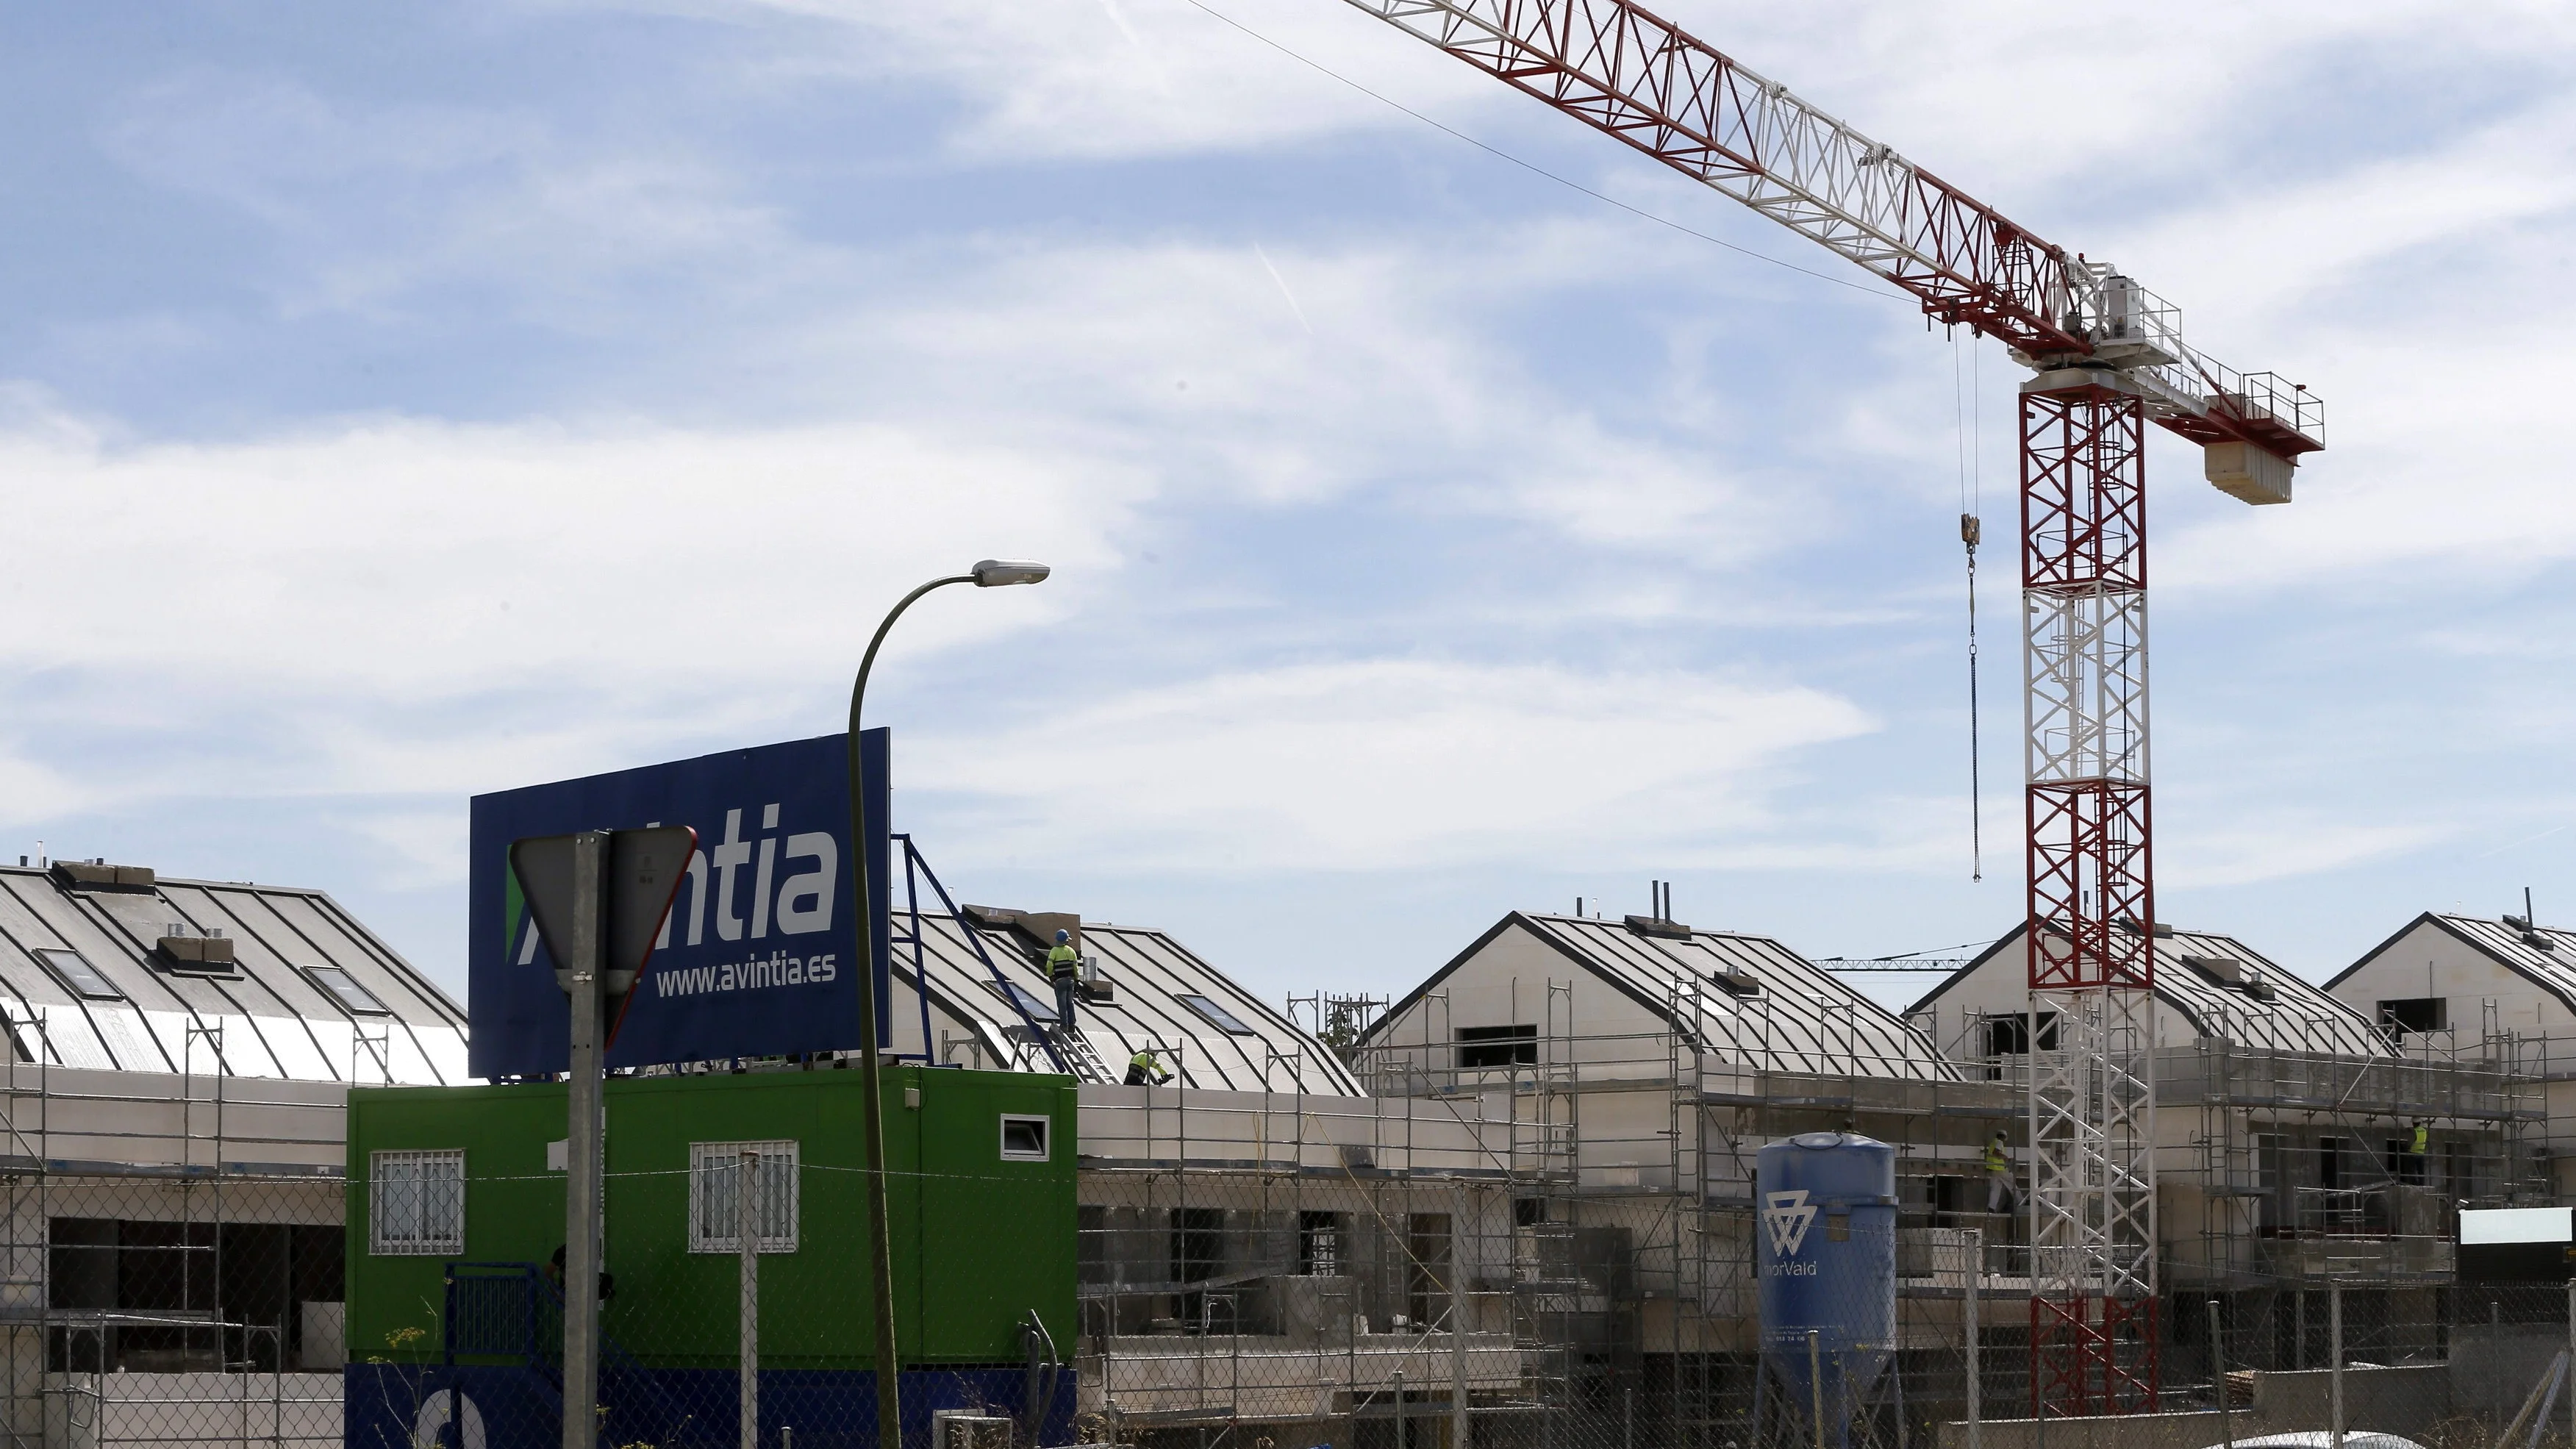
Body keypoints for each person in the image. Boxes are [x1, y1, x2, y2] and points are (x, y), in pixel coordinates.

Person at [1047, 929, 1081, 1036]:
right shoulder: (1071, 951)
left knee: (1062, 1003)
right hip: (1070, 980)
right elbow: (1075, 967)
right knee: (1070, 1003)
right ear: (1066, 940)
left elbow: (1049, 965)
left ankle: (1064, 1026)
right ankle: (1072, 1026)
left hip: (1060, 981)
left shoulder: (1054, 951)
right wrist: (1076, 980)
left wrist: (1050, 976)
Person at [1983, 1131, 2017, 1215]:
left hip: (1994, 1169)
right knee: (2012, 1183)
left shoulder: (1993, 1143)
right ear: (2004, 1137)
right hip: (2000, 1169)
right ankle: (2021, 1201)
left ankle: (1992, 1207)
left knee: (1996, 1189)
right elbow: (1996, 1153)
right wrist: (2005, 1157)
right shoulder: (1999, 1142)